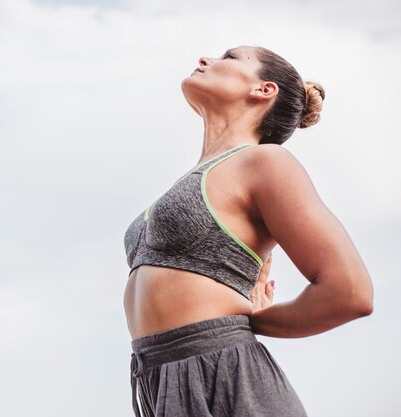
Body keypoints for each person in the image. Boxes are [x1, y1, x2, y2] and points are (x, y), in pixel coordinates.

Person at [123, 45, 374, 417]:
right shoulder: (193, 178)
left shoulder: (264, 161)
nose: (205, 59)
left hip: (224, 372)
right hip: (158, 378)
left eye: (230, 56)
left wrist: (248, 321)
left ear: (263, 89)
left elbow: (350, 292)